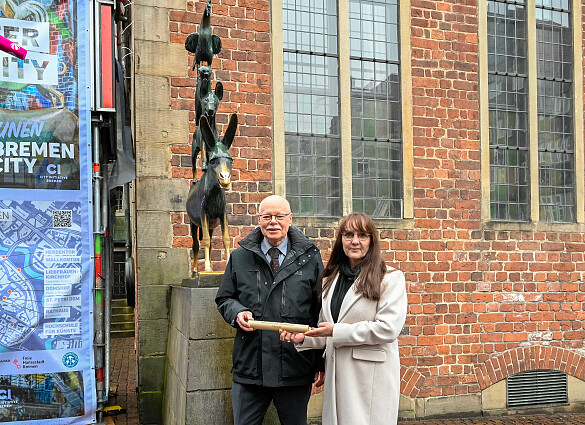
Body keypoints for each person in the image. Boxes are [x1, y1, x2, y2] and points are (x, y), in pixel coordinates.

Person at [280, 212, 408, 425]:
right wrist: (303, 338)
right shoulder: (331, 278)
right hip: (338, 375)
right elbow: (326, 328)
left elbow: (388, 329)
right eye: (348, 235)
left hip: (370, 378)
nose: (355, 241)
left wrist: (334, 331)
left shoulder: (390, 278)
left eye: (362, 235)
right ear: (341, 240)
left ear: (372, 241)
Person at [215, 195, 324, 425]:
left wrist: (319, 363)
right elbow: (225, 297)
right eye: (267, 216)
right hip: (250, 369)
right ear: (259, 219)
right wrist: (237, 312)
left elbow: (319, 311)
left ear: (290, 219)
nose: (273, 221)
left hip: (294, 368)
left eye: (279, 216)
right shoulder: (240, 257)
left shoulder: (310, 258)